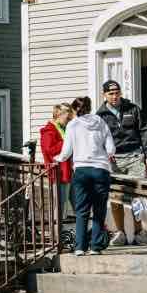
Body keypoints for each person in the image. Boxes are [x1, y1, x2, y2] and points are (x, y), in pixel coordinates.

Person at [96, 80, 147, 245]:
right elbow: (98, 139)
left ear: (120, 93)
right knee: (116, 197)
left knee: (138, 196)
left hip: (135, 156)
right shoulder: (100, 115)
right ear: (104, 95)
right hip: (114, 161)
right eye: (110, 94)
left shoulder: (133, 108)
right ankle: (120, 232)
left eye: (117, 93)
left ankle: (138, 232)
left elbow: (145, 131)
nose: (114, 97)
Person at [55, 96, 116, 256]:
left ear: (74, 110)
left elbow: (66, 151)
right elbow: (110, 147)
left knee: (81, 210)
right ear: (89, 108)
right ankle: (96, 247)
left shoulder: (73, 125)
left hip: (81, 170)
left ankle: (80, 247)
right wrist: (109, 153)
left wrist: (58, 159)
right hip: (100, 169)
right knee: (99, 209)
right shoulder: (100, 122)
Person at [39, 103, 75, 220]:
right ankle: (58, 235)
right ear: (58, 115)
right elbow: (49, 150)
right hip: (59, 174)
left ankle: (84, 233)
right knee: (60, 206)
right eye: (67, 116)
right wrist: (66, 142)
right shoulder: (49, 131)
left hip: (70, 172)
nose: (69, 119)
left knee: (79, 204)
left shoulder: (65, 129)